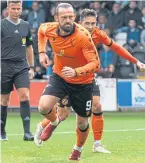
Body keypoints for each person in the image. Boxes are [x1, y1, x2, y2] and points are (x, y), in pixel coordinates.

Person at [35, 8, 145, 154]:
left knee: (97, 106)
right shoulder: (71, 32)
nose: (91, 26)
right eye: (88, 23)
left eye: (94, 23)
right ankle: (43, 125)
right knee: (63, 114)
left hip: (86, 78)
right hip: (65, 76)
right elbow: (44, 32)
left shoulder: (98, 34)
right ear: (79, 22)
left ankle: (97, 144)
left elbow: (116, 48)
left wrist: (135, 61)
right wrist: (42, 53)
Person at [36, 3, 100, 161]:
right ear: (56, 18)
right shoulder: (49, 28)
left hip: (83, 82)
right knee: (43, 106)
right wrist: (42, 52)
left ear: (75, 17)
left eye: (71, 17)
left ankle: (77, 149)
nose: (68, 20)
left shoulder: (83, 36)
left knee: (83, 123)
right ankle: (54, 121)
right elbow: (41, 32)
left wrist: (76, 71)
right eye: (64, 17)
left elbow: (96, 64)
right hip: (60, 76)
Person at [1, 0, 34, 141]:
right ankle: (2, 132)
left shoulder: (25, 26)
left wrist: (31, 67)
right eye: (13, 8)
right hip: (4, 65)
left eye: (18, 8)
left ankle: (27, 133)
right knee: (4, 100)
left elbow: (29, 47)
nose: (16, 11)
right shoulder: (1, 25)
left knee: (25, 95)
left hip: (21, 66)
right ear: (8, 8)